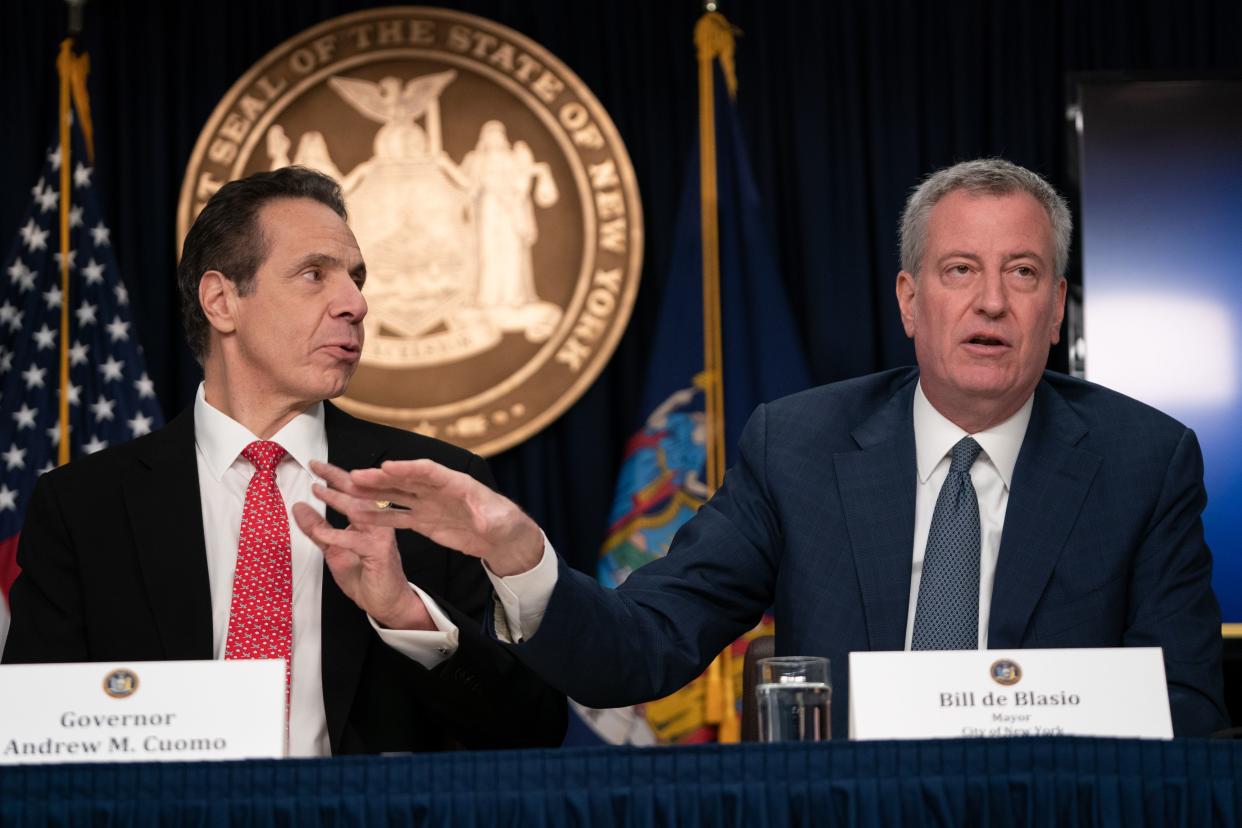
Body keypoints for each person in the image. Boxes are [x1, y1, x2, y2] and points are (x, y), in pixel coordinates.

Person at [303, 158, 1229, 738]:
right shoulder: (799, 446)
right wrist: (519, 554)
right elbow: (644, 651)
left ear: (1057, 307)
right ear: (911, 301)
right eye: (960, 272)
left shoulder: (1142, 460)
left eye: (1022, 274)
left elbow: (1187, 711)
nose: (991, 301)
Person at [2, 166, 567, 755]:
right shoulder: (84, 505)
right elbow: (37, 741)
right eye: (314, 275)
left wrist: (408, 616)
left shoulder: (433, 488)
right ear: (222, 301)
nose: (355, 303)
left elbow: (530, 728)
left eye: (356, 278)